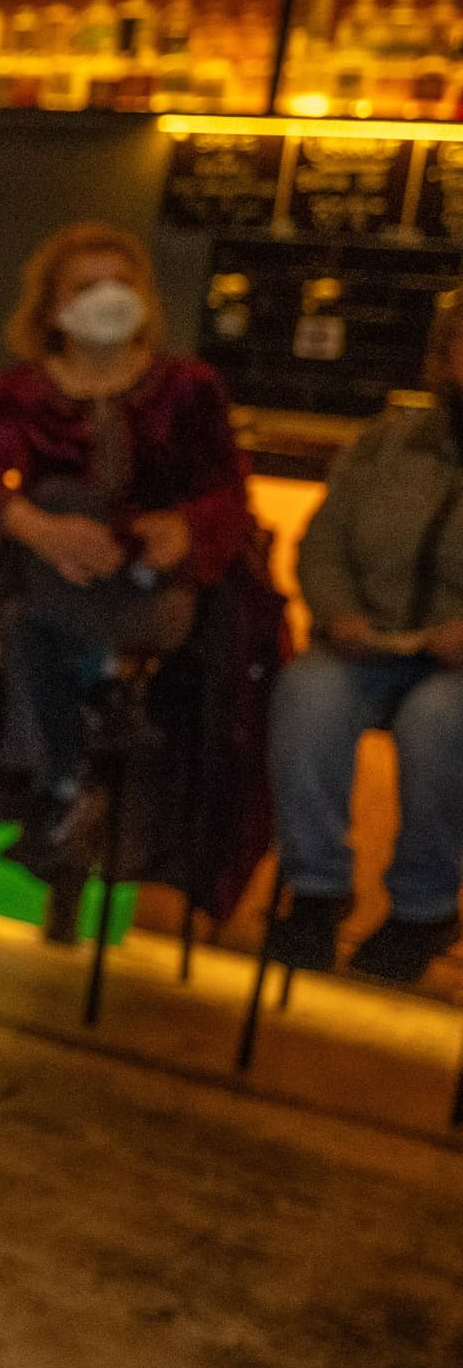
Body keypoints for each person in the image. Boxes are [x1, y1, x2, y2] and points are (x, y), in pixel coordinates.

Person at [0, 223, 256, 906]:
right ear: (52, 307)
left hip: (144, 588)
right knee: (47, 535)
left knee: (27, 622)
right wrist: (41, 528)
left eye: (121, 285)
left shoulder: (188, 388)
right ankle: (91, 721)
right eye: (87, 287)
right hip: (46, 574)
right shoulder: (17, 393)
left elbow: (229, 498)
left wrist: (183, 528)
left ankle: (56, 778)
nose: (108, 299)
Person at [268, 295, 463, 985]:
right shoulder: (386, 443)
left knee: (439, 719)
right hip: (369, 646)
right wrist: (341, 613)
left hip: (455, 671)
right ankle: (317, 891)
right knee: (308, 690)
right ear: (442, 358)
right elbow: (322, 542)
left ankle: (425, 907)